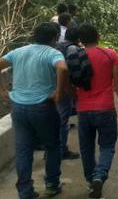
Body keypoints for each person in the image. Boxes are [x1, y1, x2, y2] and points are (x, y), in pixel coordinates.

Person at [0, 23, 68, 198]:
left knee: (23, 149)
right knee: (52, 146)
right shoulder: (53, 53)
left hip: (19, 108)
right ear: (54, 38)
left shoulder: (19, 52)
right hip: (43, 106)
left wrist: (3, 91)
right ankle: (52, 184)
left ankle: (25, 191)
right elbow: (62, 67)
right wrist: (58, 92)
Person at [76, 23, 118, 199]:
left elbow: (69, 82)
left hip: (83, 110)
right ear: (98, 36)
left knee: (86, 148)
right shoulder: (110, 54)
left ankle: (92, 182)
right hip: (105, 108)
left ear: (80, 40)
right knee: (107, 146)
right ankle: (99, 176)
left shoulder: (76, 56)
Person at [56, 28, 90, 161]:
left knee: (55, 119)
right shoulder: (73, 49)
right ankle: (61, 150)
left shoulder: (57, 47)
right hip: (65, 88)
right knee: (62, 120)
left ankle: (52, 149)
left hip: (51, 87)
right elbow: (76, 72)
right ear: (78, 38)